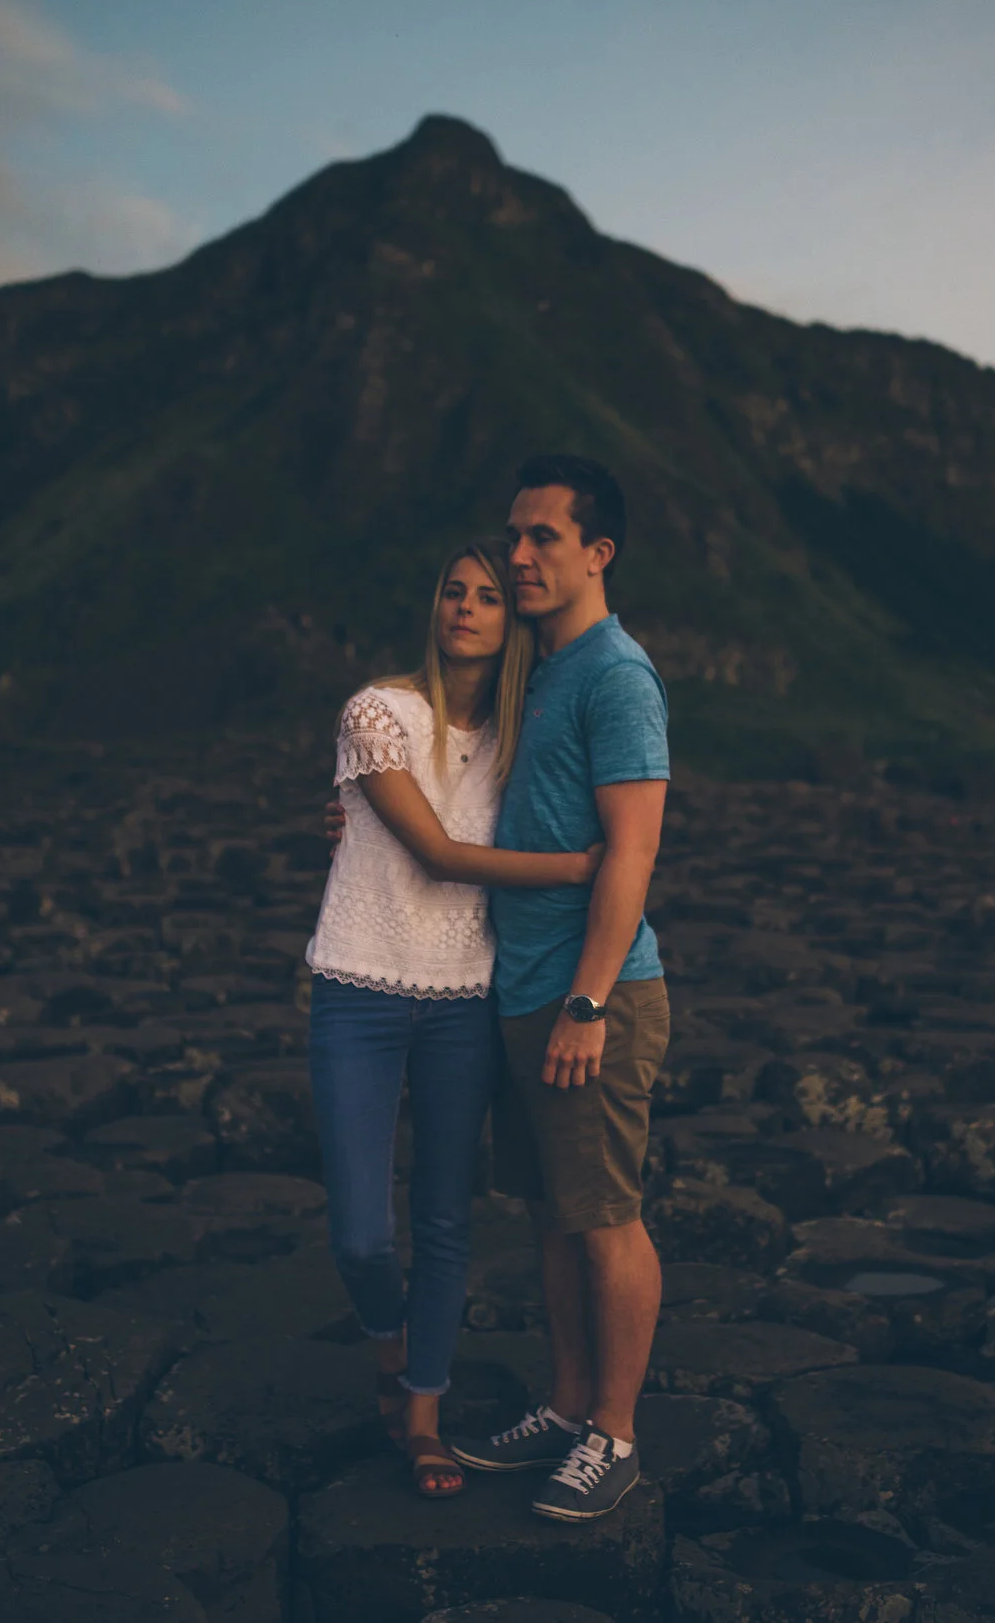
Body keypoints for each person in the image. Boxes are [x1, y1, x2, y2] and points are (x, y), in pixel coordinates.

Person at [303, 540, 601, 1500]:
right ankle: (393, 1355)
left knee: (442, 1220)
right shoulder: (377, 712)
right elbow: (431, 852)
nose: (467, 606)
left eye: (486, 596)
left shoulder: (520, 744)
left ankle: (424, 1419)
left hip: (465, 998)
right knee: (360, 1234)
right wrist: (575, 870)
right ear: (432, 606)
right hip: (357, 987)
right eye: (452, 591)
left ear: (510, 623)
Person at [448, 455, 672, 1523]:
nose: (519, 555)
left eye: (542, 537)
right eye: (513, 535)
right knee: (551, 1215)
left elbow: (631, 851)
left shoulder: (616, 676)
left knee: (604, 1219)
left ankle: (616, 1436)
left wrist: (587, 1001)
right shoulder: (539, 672)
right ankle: (569, 1402)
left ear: (598, 553)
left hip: (596, 996)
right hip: (523, 987)